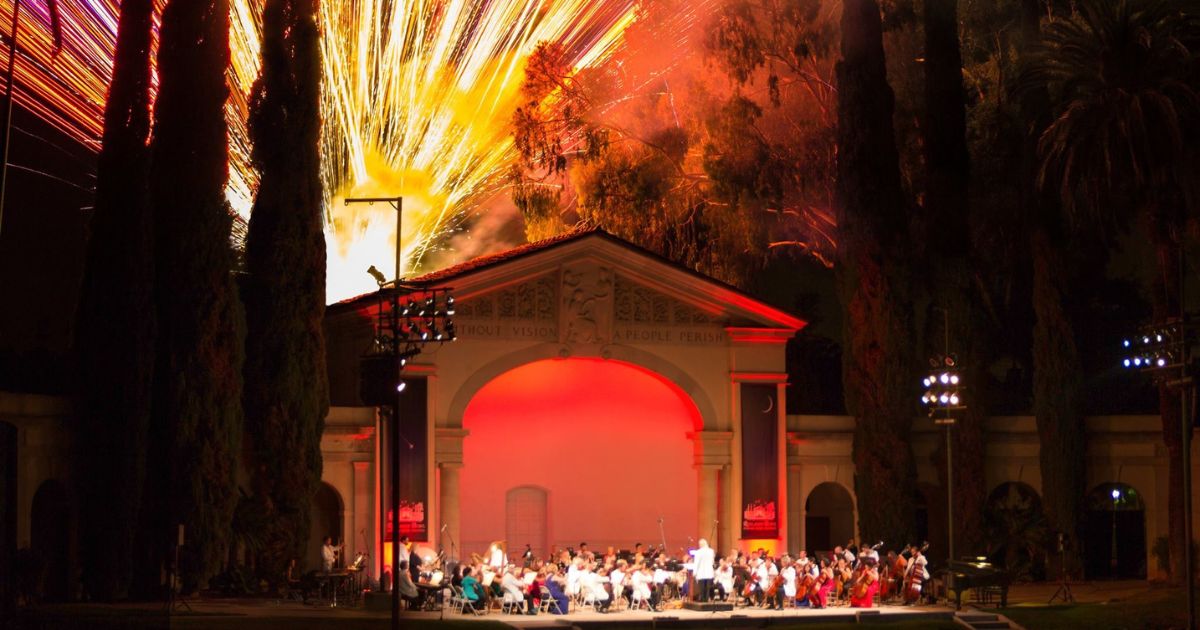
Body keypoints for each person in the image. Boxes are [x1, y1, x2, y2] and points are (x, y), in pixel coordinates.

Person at [689, 538, 716, 602]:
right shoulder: (711, 551)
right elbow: (712, 561)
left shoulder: (698, 552)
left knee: (702, 588)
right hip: (709, 572)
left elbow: (696, 563)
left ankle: (702, 599)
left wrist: (694, 573)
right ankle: (706, 599)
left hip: (701, 572)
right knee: (707, 588)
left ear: (701, 544)